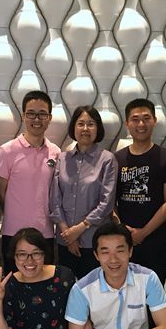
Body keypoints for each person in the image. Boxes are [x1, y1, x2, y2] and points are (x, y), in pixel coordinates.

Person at [114, 98, 166, 281]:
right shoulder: (117, 159)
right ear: (127, 123)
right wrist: (122, 229)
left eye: (146, 118)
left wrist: (143, 233)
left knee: (152, 289)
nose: (141, 124)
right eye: (135, 119)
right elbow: (110, 200)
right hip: (122, 240)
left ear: (154, 121)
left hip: (155, 241)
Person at [49, 105, 118, 279]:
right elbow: (55, 199)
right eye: (80, 124)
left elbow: (107, 202)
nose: (85, 128)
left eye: (91, 124)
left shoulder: (107, 159)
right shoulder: (62, 158)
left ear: (98, 128)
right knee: (66, 286)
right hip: (64, 239)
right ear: (73, 127)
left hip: (95, 240)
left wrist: (79, 229)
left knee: (93, 288)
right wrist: (68, 234)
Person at [0, 90, 60, 271]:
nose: (36, 119)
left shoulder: (55, 152)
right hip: (13, 232)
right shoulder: (7, 150)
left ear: (49, 118)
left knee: (45, 282)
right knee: (14, 282)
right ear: (23, 116)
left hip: (45, 232)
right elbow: (1, 191)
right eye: (31, 113)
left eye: (42, 114)